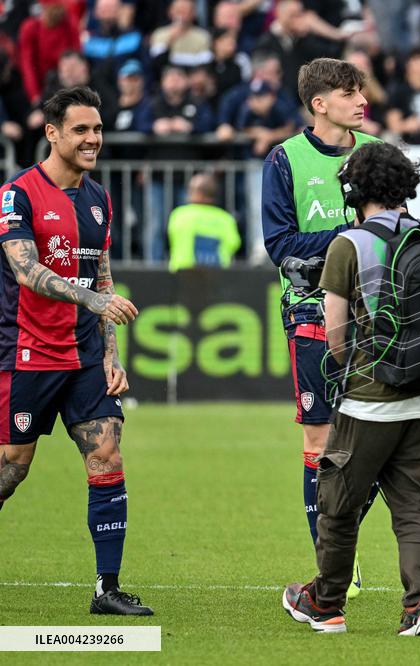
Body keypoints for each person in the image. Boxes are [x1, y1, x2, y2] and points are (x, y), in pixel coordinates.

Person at [282, 142, 420, 636]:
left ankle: (326, 603)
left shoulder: (349, 243)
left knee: (337, 506)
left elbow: (335, 336)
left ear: (353, 190)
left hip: (371, 400)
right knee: (415, 510)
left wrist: (353, 369)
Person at [0, 86, 151, 615]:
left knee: (106, 455)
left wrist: (111, 353)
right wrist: (93, 300)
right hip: (27, 353)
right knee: (11, 468)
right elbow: (26, 270)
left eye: (98, 129)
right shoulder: (17, 194)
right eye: (81, 130)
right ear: (52, 133)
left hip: (86, 355)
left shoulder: (99, 198)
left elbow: (101, 276)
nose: (93, 139)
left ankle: (107, 589)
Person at [261, 57, 381, 598]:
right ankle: (334, 566)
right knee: (319, 438)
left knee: (382, 439)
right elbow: (281, 247)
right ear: (320, 103)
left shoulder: (375, 152)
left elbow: (392, 231)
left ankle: (340, 538)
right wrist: (348, 236)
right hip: (310, 311)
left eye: (361, 91)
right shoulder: (284, 159)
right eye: (350, 93)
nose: (362, 101)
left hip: (377, 313)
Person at [167, 172, 242, 271]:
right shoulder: (226, 218)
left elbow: (171, 238)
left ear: (199, 194)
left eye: (191, 190)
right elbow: (234, 242)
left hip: (182, 273)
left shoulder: (180, 214)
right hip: (217, 274)